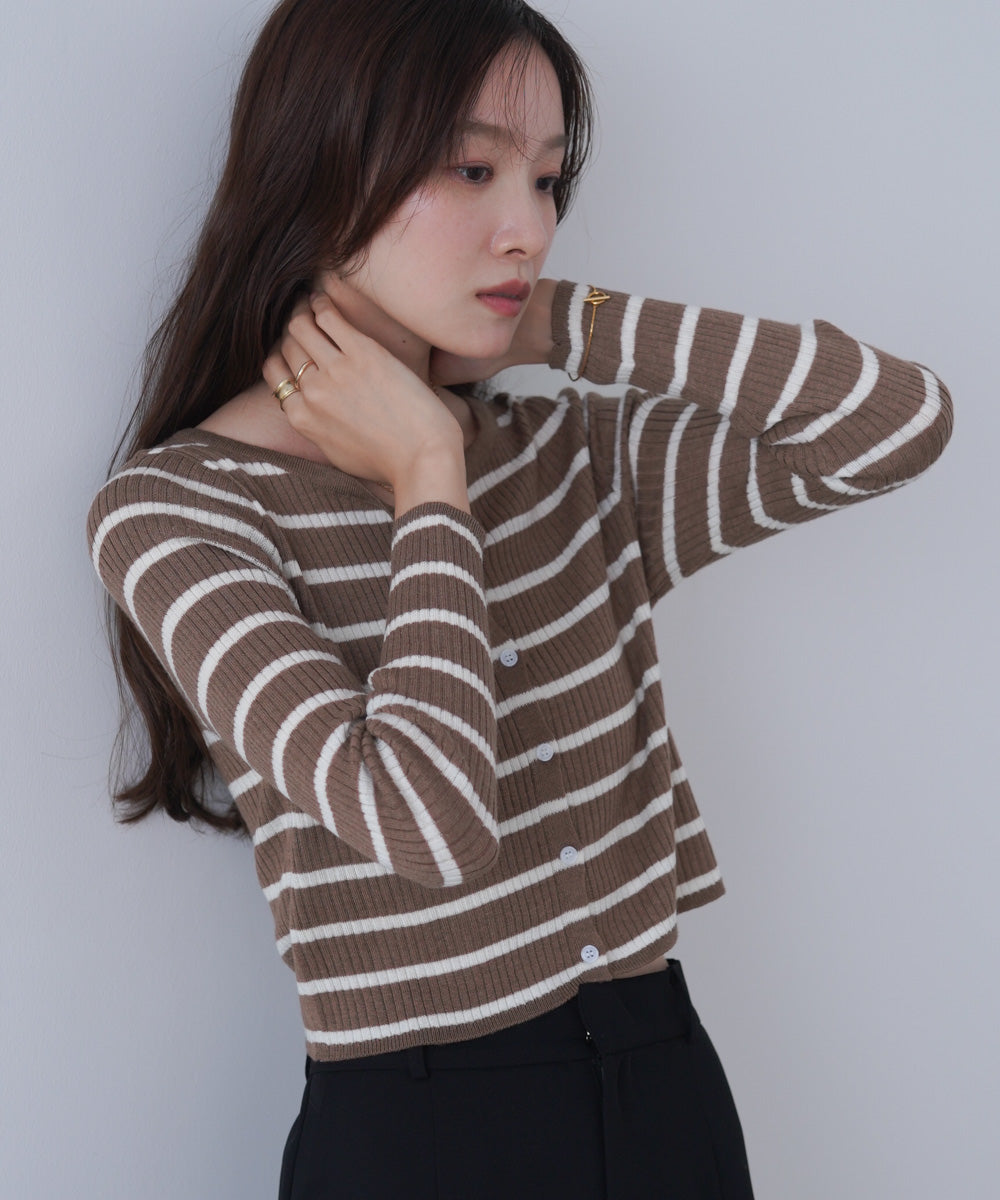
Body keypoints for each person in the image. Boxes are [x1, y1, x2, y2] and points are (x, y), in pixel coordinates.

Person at [86, 1, 953, 1196]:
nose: (528, 227)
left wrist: (557, 323)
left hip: (665, 1084)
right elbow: (430, 827)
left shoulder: (563, 459)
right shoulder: (179, 512)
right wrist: (426, 477)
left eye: (547, 180)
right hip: (424, 1132)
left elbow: (891, 423)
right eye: (472, 168)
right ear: (321, 163)